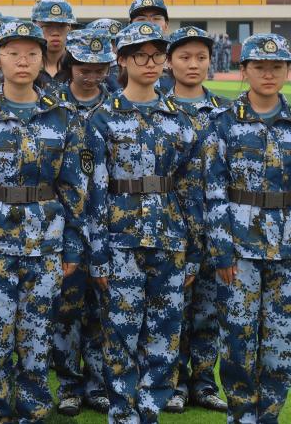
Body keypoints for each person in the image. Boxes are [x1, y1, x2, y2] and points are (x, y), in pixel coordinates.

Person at [0, 20, 91, 424]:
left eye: (32, 53)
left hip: (46, 243)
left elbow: (75, 190)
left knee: (36, 335)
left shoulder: (63, 117)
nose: (23, 61)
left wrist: (72, 247)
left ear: (43, 59)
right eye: (13, 53)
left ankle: (33, 409)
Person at [88, 21, 210, 424]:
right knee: (120, 336)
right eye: (140, 54)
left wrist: (194, 251)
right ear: (121, 60)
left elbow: (191, 192)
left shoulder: (181, 120)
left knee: (164, 336)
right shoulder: (101, 119)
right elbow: (94, 194)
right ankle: (123, 415)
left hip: (170, 241)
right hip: (120, 243)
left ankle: (150, 413)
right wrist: (98, 254)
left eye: (158, 54)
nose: (150, 62)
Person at [206, 33, 291, 424]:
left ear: (286, 71)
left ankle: (269, 417)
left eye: (277, 67)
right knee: (238, 343)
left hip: (286, 249)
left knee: (280, 346)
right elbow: (213, 191)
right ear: (244, 70)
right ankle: (241, 417)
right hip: (239, 250)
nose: (268, 74)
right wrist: (222, 250)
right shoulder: (223, 122)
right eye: (259, 67)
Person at [51, 28, 116, 415]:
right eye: (84, 69)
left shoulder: (118, 107)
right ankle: (69, 385)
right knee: (67, 308)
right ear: (69, 66)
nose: (91, 77)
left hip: (110, 222)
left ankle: (97, 383)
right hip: (64, 222)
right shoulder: (52, 105)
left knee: (102, 309)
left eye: (99, 69)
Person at [165, 26, 228, 413]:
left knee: (208, 311)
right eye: (184, 57)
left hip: (215, 228)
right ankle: (173, 383)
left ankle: (204, 383)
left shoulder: (226, 112)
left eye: (201, 57)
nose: (193, 64)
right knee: (171, 310)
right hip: (169, 226)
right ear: (169, 62)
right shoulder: (156, 109)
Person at [31, 0, 78, 92]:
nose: (55, 32)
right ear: (35, 27)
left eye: (62, 26)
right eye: (47, 26)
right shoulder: (25, 66)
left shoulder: (79, 66)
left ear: (69, 28)